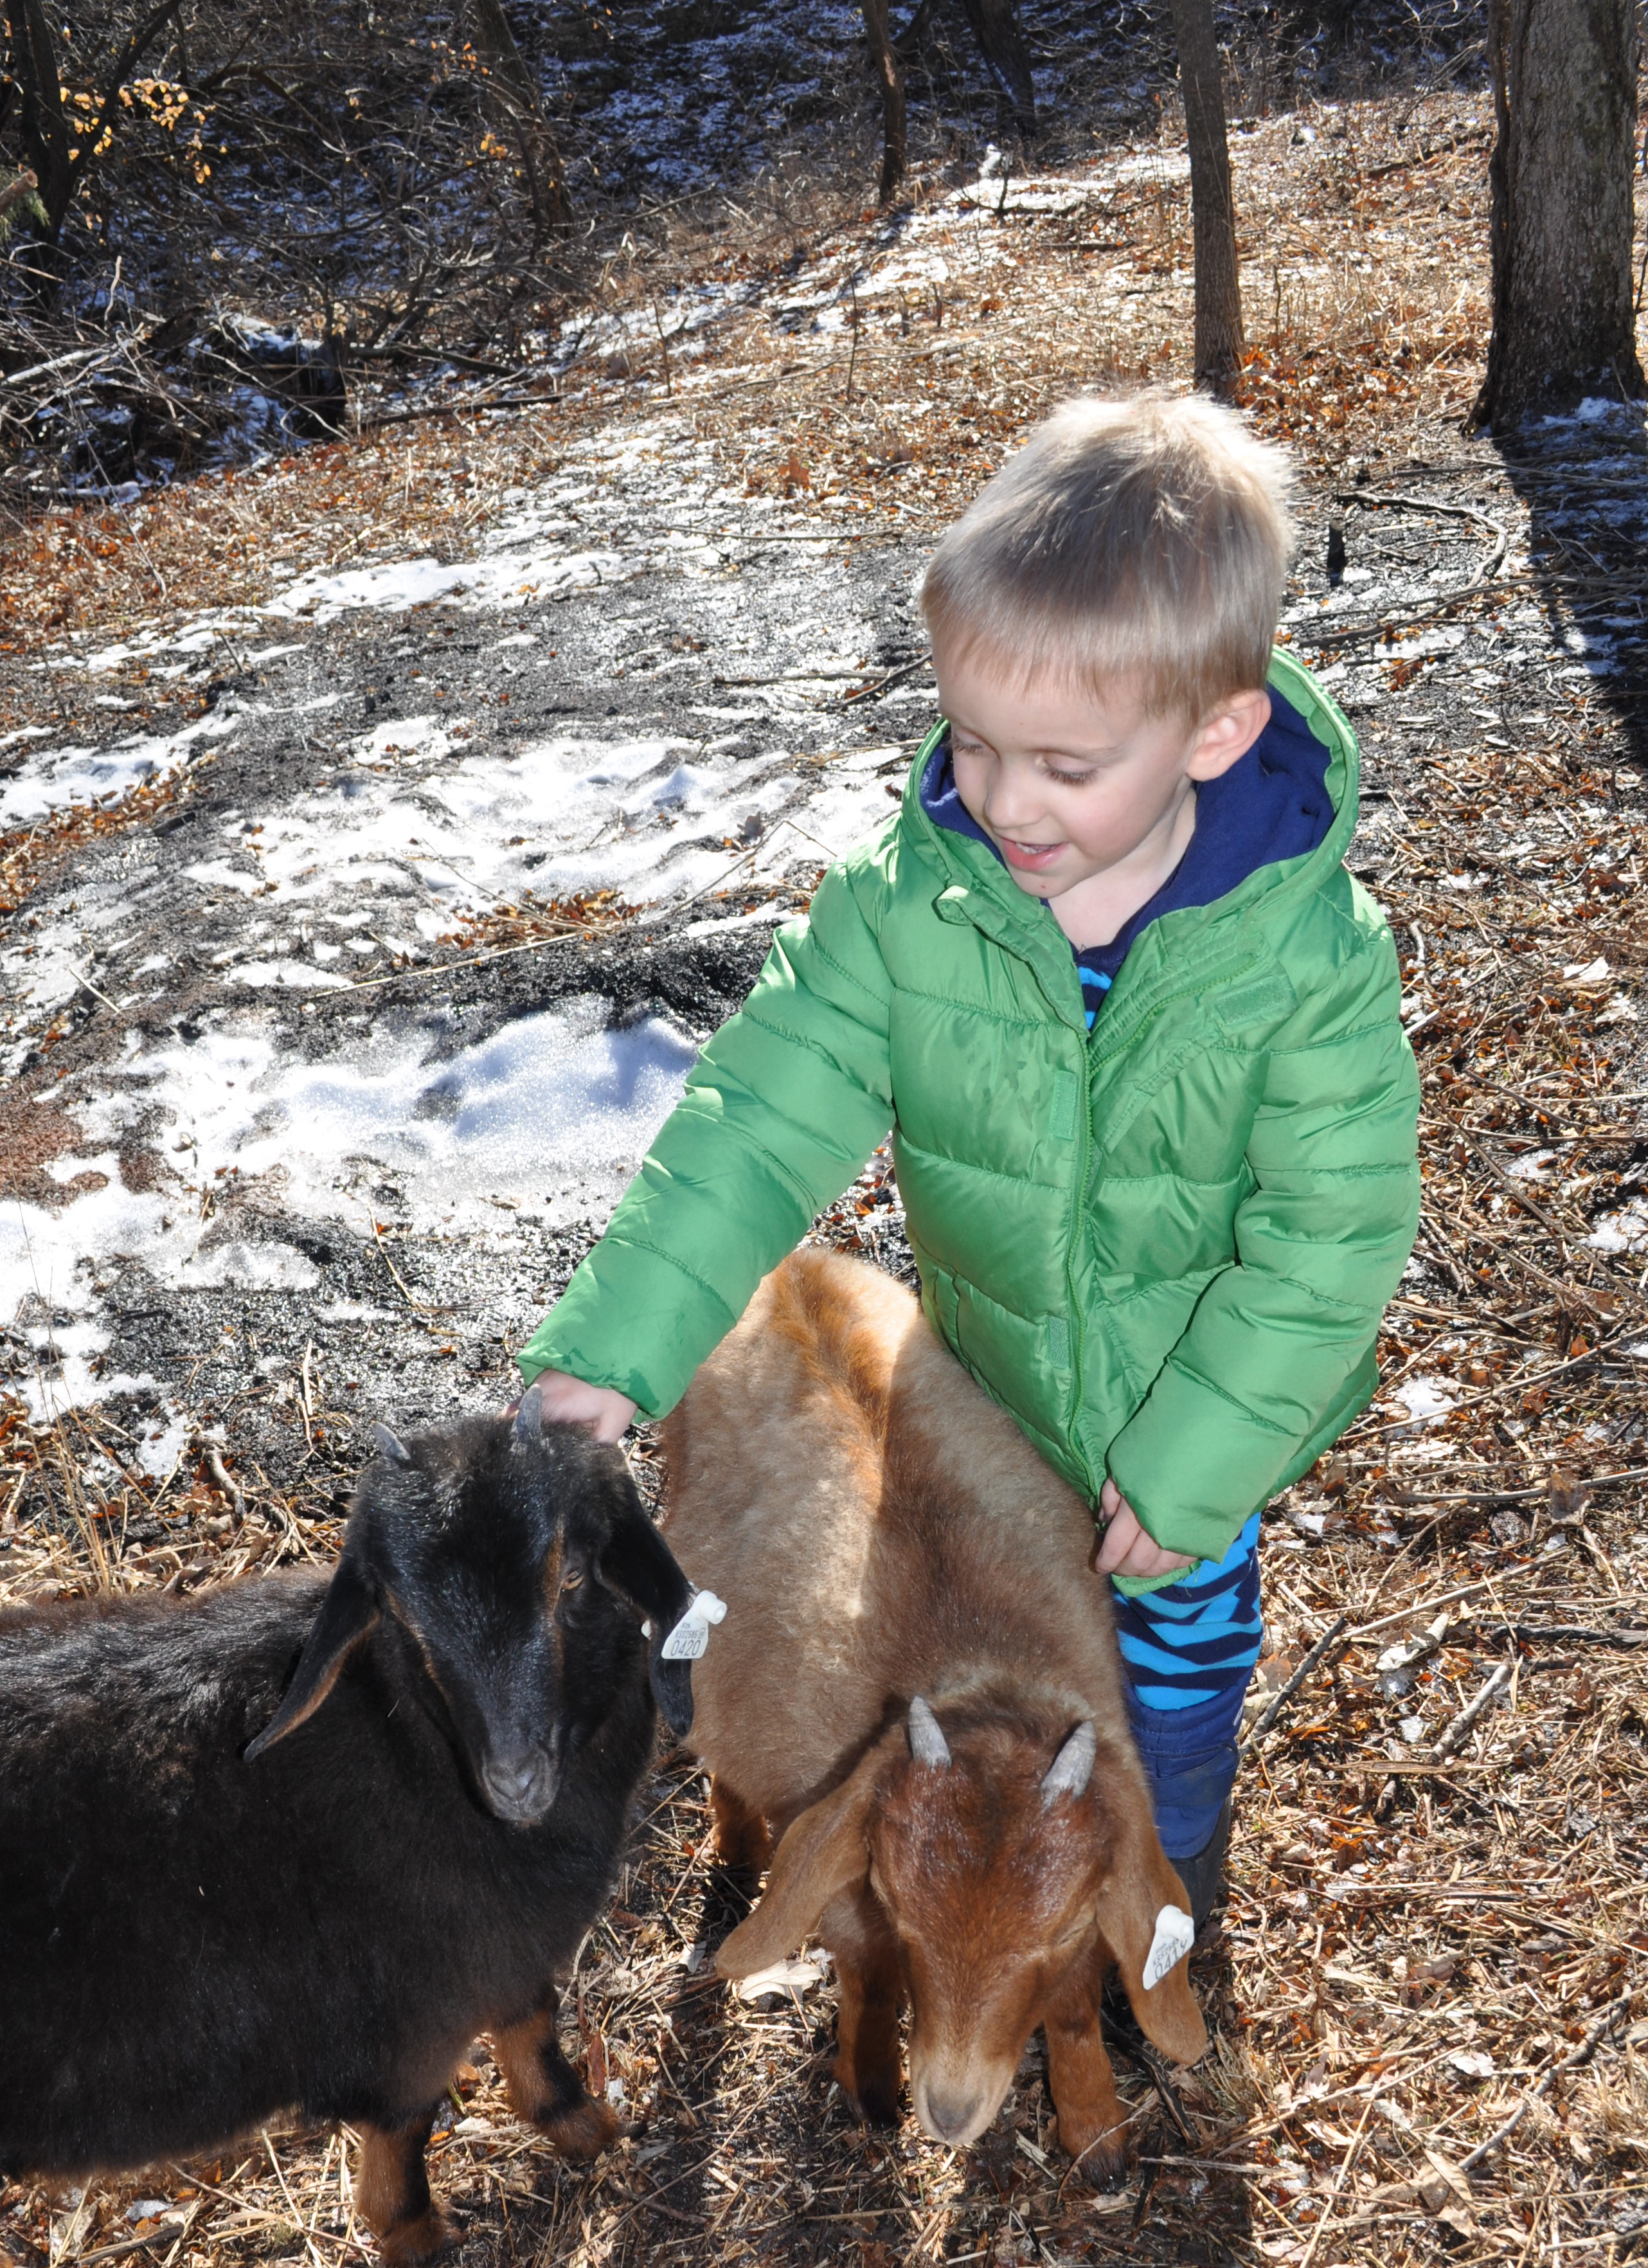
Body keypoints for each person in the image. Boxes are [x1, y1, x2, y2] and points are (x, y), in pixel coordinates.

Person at [518, 392, 1420, 1932]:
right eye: (975, 741)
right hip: (981, 1401)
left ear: (1212, 731)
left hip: (1182, 1423)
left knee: (1167, 1682)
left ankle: (1160, 1900)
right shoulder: (910, 905)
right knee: (971, 1675)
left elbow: (1330, 1230)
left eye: (1064, 764)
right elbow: (757, 1116)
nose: (1003, 800)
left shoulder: (1300, 959)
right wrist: (612, 1353)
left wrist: (1196, 1454)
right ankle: (976, 1903)